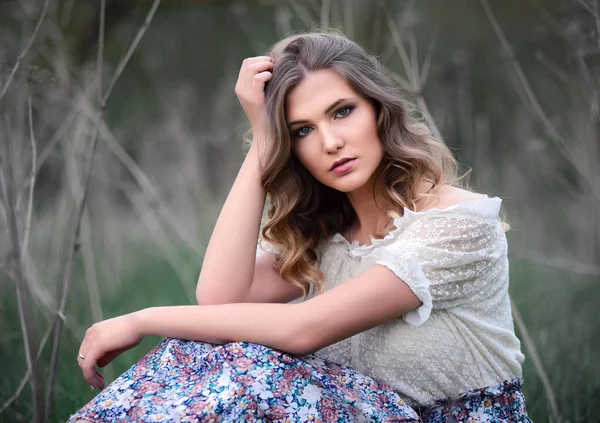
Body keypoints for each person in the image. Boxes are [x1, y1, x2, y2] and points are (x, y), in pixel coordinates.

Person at [68, 30, 531, 422]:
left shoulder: (458, 226)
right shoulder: (330, 239)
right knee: (197, 352)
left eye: (342, 111)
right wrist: (264, 143)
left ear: (378, 109)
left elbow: (301, 329)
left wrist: (141, 320)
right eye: (302, 131)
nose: (330, 142)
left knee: (248, 366)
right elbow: (220, 299)